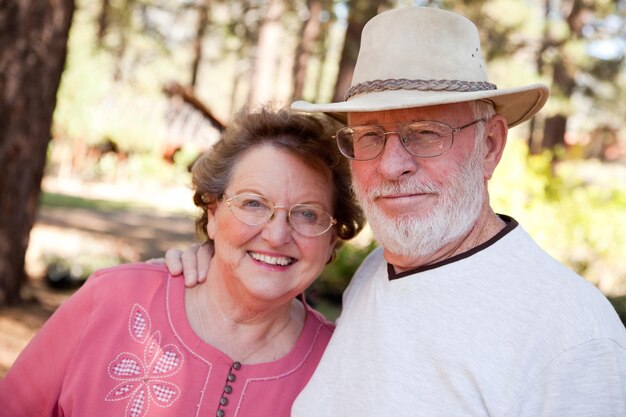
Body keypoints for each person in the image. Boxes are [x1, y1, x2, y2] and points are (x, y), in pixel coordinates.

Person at [165, 6, 626, 417]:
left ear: (489, 146)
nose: (391, 165)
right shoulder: (377, 271)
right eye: (369, 136)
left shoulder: (569, 337)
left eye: (425, 133)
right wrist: (221, 264)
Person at [0, 107, 365, 416]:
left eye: (307, 214)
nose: (277, 234)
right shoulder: (114, 298)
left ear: (332, 238)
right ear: (213, 212)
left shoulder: (336, 368)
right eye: (254, 203)